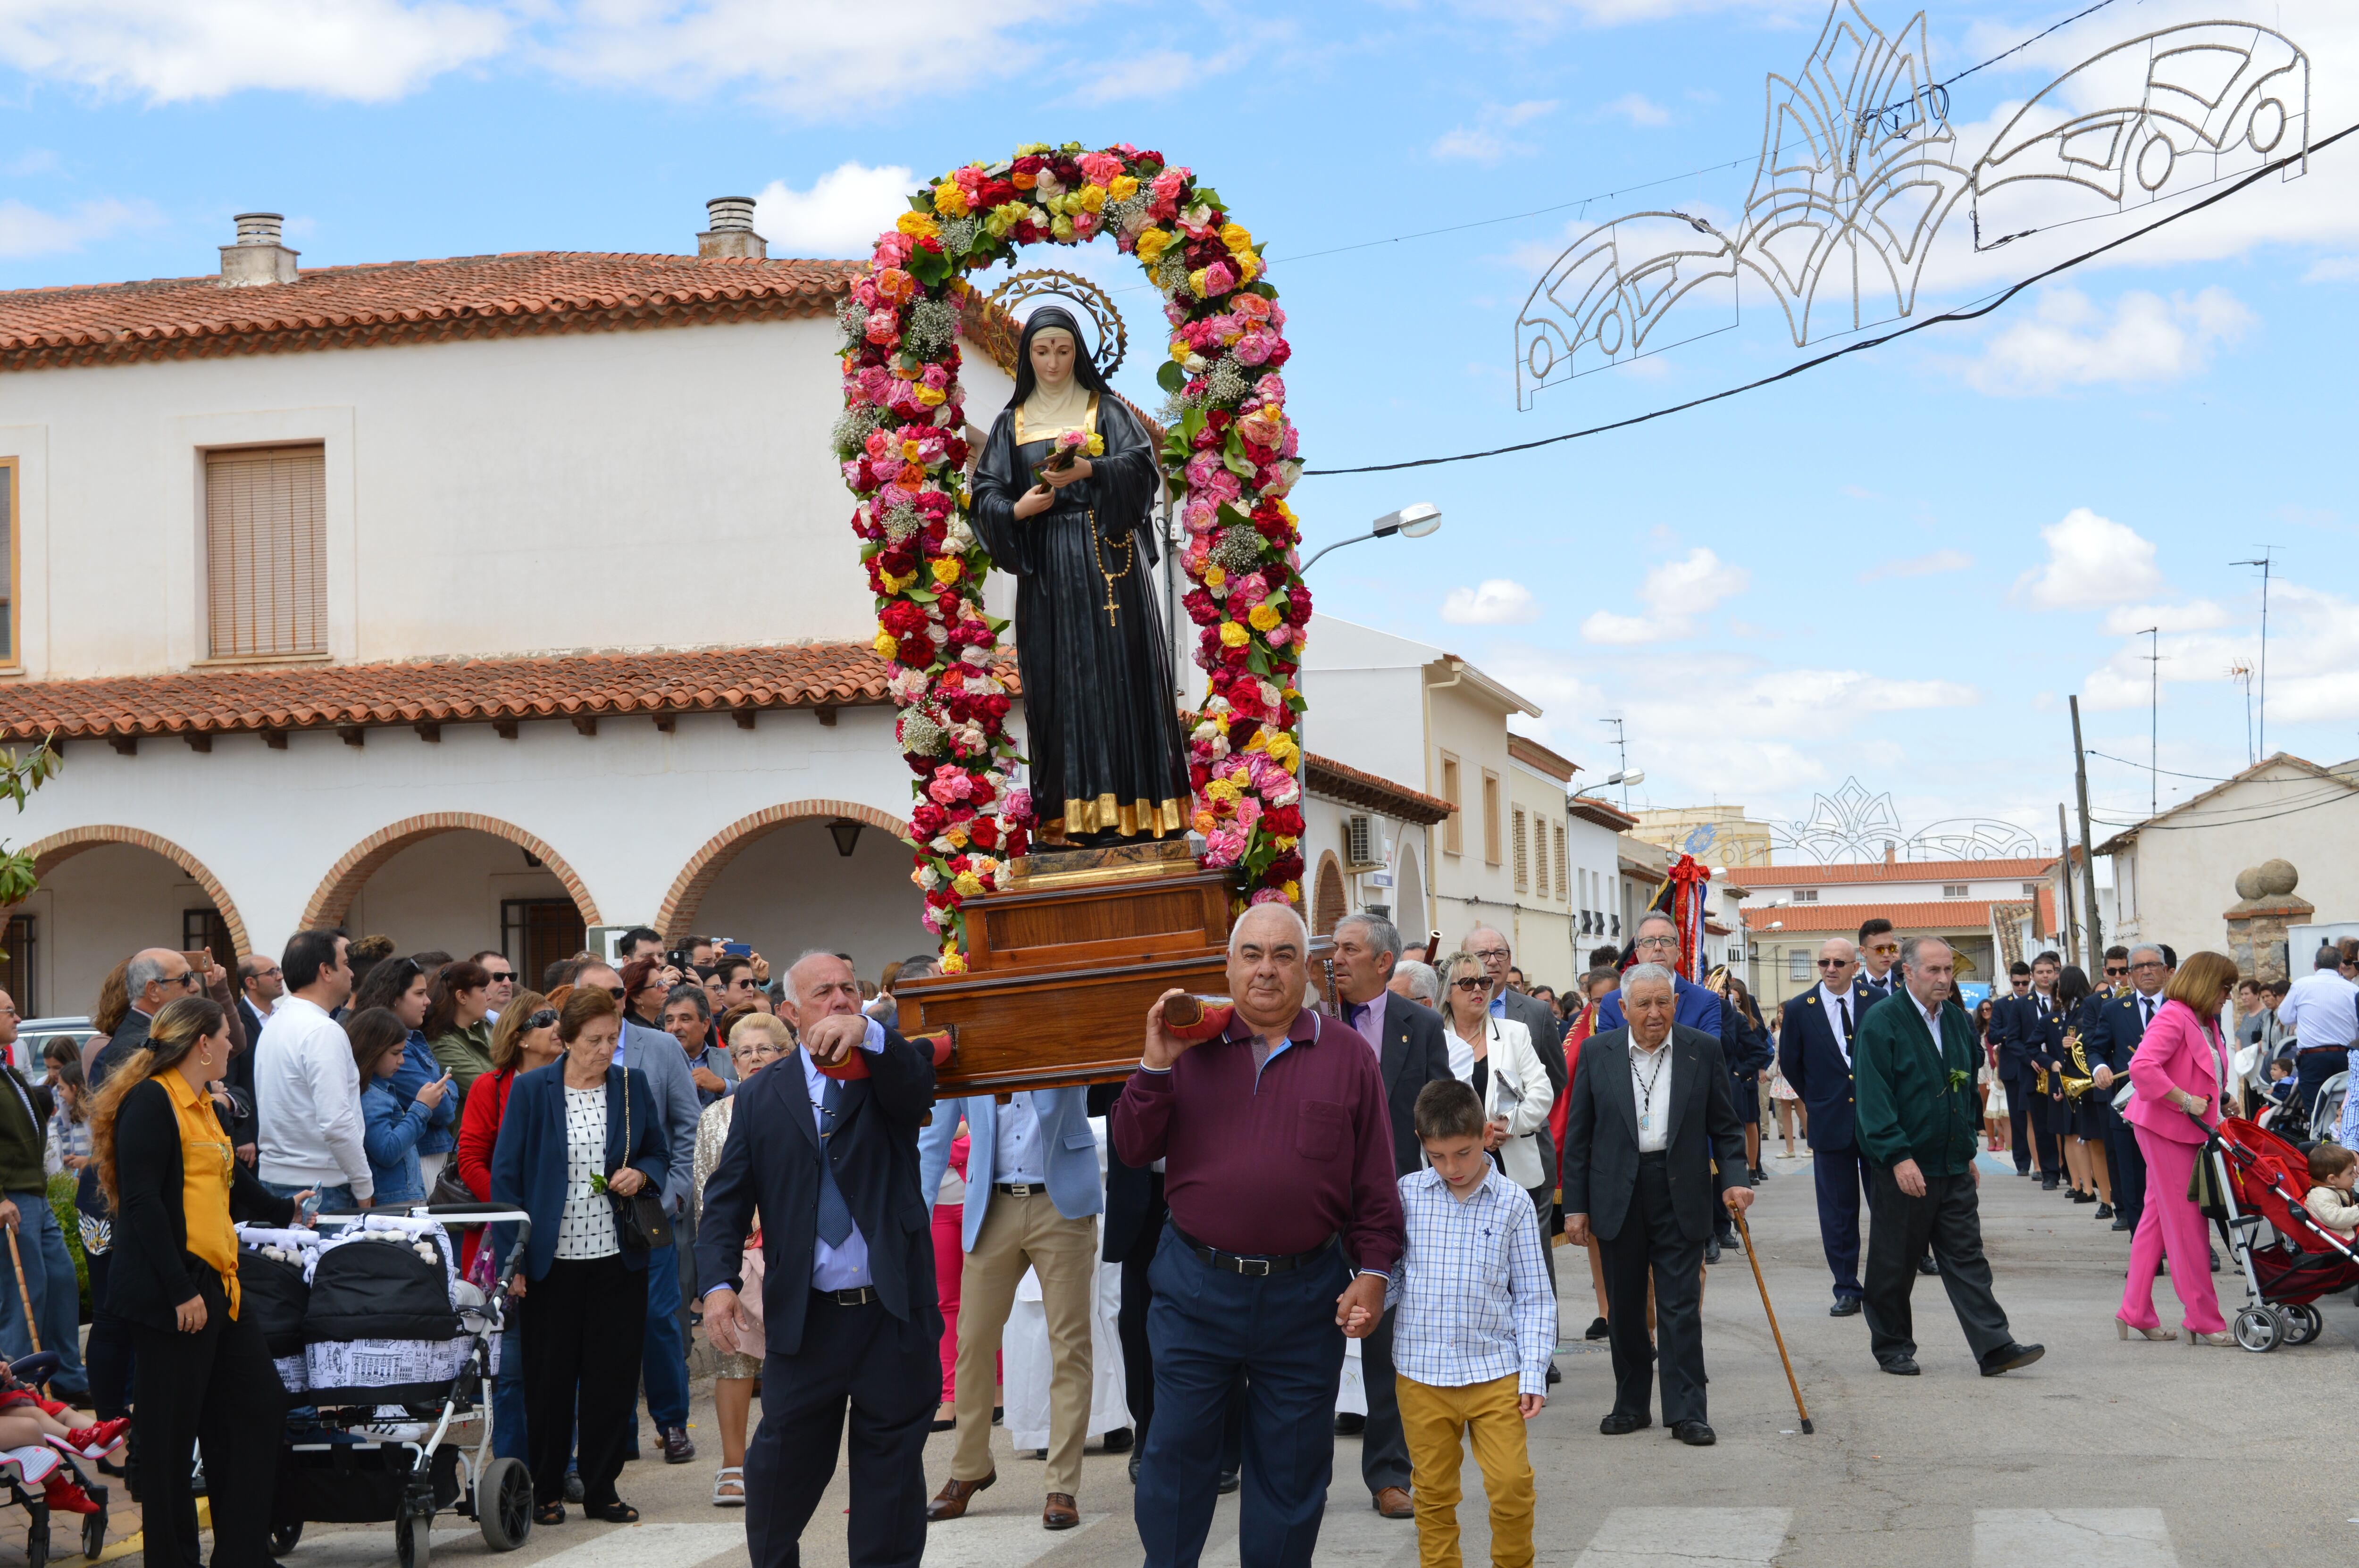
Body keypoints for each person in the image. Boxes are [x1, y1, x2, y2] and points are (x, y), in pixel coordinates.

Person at [1113, 903, 1400, 1568]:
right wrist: (1155, 1064)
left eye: (1282, 956)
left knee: (1294, 1470)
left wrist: (1375, 1270)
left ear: (1309, 969)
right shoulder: (1187, 1048)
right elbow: (1131, 1148)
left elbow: (1376, 1185)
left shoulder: (1349, 1056)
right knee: (1176, 1457)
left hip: (1306, 1298)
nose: (1265, 971)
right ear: (1229, 965)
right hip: (1194, 1290)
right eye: (1252, 955)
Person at [696, 951, 941, 1568]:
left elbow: (915, 1092)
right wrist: (719, 1284)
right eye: (824, 993)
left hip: (891, 1314)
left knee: (889, 1480)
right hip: (807, 1322)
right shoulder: (763, 1096)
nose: (839, 1001)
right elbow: (726, 1201)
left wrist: (874, 1035)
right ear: (789, 1011)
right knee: (779, 1469)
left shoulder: (888, 1068)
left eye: (849, 990)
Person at [89, 996, 302, 1568]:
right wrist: (180, 1289)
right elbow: (141, 1203)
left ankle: (240, 1555)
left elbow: (227, 1182)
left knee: (257, 1408)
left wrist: (285, 1211)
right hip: (173, 1289)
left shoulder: (208, 1105)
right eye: (225, 1037)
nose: (234, 1045)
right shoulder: (152, 1102)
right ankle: (171, 1560)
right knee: (168, 1439)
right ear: (202, 1044)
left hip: (221, 1285)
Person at [967, 306, 1191, 848]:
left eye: (1063, 351)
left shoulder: (1105, 410)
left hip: (1111, 562)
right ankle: (1065, 819)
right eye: (1041, 351)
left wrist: (1091, 469)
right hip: (1048, 570)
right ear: (1027, 356)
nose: (1052, 362)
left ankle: (1140, 813)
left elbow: (1142, 468)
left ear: (1079, 354)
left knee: (1122, 676)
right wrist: (1018, 510)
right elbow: (983, 498)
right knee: (1056, 683)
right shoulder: (1008, 423)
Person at [488, 986, 668, 1526]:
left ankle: (602, 1488)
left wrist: (642, 1174)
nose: (605, 1050)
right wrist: (512, 1263)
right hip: (551, 1261)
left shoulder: (630, 1087)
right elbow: (507, 1176)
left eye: (613, 1039)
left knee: (612, 1378)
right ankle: (545, 1487)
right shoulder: (531, 1090)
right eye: (593, 1041)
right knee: (549, 1378)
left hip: (618, 1257)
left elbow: (659, 1151)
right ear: (565, 1039)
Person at [1560, 964, 1747, 1444]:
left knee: (1679, 1306)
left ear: (1675, 1004)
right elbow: (1578, 1137)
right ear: (1621, 1009)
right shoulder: (1595, 1053)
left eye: (1662, 1002)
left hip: (1679, 1188)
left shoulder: (1699, 1050)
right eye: (1642, 1004)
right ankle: (1630, 1405)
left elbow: (1725, 1128)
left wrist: (1734, 1180)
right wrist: (1575, 1207)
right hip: (1616, 1194)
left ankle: (1687, 1412)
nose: (1653, 1013)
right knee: (1622, 1308)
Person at [1367, 1078, 1550, 1568]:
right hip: (1421, 1374)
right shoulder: (1406, 1195)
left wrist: (1532, 1371)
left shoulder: (1512, 1203)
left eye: (1463, 1154)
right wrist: (1369, 1300)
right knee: (1432, 1492)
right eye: (1438, 1156)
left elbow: (1534, 1298)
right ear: (1420, 1144)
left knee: (1512, 1484)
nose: (1451, 1168)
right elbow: (1395, 1275)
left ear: (1484, 1135)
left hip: (1495, 1373)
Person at [918, 1070, 1103, 1531]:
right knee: (973, 1341)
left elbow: (1071, 1080)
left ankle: (1062, 1483)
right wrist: (914, 1222)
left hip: (1059, 1203)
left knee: (1069, 1346)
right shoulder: (968, 1052)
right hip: (992, 1204)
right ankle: (970, 1468)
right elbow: (934, 1140)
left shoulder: (1058, 1034)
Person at [1852, 937, 2042, 1378]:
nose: (1943, 979)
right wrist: (1898, 1156)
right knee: (1894, 1261)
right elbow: (1873, 1097)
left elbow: (1964, 1089)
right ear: (1907, 972)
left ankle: (1995, 1345)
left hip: (1952, 1164)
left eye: (1948, 971)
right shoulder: (1882, 1022)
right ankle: (1893, 1345)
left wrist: (1967, 1149)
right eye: (1933, 971)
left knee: (1967, 1256)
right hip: (1903, 1165)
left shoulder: (1956, 1020)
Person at [1324, 910, 1455, 1518]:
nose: (1335, 960)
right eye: (1331, 949)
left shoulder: (1420, 1025)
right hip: (1314, 1205)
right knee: (1301, 1346)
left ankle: (1388, 1474)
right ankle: (1298, 1474)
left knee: (1386, 1347)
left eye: (1348, 950)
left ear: (1383, 962)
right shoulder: (1313, 1022)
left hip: (1390, 1207)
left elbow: (1439, 1108)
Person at [573, 960, 701, 1464]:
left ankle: (671, 1423)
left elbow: (687, 1127)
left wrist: (674, 1194)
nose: (609, 1002)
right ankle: (617, 1428)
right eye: (594, 994)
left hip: (650, 1208)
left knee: (657, 1319)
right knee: (600, 1324)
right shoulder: (564, 1055)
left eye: (615, 993)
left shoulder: (661, 1047)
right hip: (583, 1214)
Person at [2117, 951, 2241, 1345]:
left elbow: (2203, 1068)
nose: (2229, 996)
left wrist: (2218, 1098)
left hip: (2184, 1127)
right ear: (2208, 985)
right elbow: (2142, 1068)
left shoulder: (2204, 1018)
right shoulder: (2175, 1014)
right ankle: (2202, 1318)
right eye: (2226, 988)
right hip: (2168, 1127)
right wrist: (2186, 1100)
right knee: (2188, 1225)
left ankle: (2134, 1311)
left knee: (2157, 1219)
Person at [455, 990, 558, 1465]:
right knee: (511, 1366)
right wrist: (511, 1207)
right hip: (503, 1241)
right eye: (545, 1020)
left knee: (563, 1364)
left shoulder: (573, 1083)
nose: (557, 1026)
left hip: (565, 1236)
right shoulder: (489, 1088)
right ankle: (514, 1465)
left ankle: (563, 1463)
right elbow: (470, 1157)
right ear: (518, 1036)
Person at [692, 1012, 788, 1508]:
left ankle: (781, 1461)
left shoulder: (803, 1106)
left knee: (790, 1359)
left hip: (791, 1251)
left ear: (785, 1056)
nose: (754, 1059)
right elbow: (707, 1194)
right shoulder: (716, 1117)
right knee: (734, 1358)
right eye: (744, 1052)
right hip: (741, 1255)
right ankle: (733, 1466)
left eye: (764, 1050)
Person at [1779, 937, 1878, 1318]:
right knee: (1838, 1212)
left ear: (1856, 965)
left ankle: (1884, 1284)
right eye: (1824, 963)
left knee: (1885, 1206)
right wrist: (1820, 1100)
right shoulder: (1800, 1009)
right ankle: (1847, 1287)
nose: (1830, 968)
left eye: (1839, 962)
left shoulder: (1877, 1001)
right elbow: (1791, 1063)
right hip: (1829, 1120)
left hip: (1875, 1121)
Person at [0, 988, 88, 1401]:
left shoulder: (9, 1071)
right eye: (10, 1012)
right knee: (24, 1300)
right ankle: (16, 1394)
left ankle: (69, 1379)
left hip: (34, 1195)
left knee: (61, 1280)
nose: (18, 1019)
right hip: (12, 1199)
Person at [255, 930, 370, 1209]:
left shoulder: (277, 1023)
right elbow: (336, 1122)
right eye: (345, 963)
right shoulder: (322, 1030)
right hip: (320, 1189)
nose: (352, 973)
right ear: (326, 971)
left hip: (279, 1180)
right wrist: (364, 1187)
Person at [2083, 944, 2172, 1237]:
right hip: (2129, 1110)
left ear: (2166, 970)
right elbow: (2096, 1049)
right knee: (2133, 1182)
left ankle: (2190, 1245)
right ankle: (2146, 1250)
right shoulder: (2114, 1010)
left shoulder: (2180, 1006)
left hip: (2174, 1107)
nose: (2146, 971)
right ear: (2130, 976)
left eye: (2153, 965)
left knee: (2177, 1180)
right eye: (2139, 967)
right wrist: (2100, 1069)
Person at [353, 1008, 451, 1209]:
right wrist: (421, 1108)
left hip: (399, 1197)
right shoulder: (370, 1096)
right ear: (373, 1050)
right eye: (396, 1053)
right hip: (391, 1202)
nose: (402, 1060)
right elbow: (387, 1151)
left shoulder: (379, 1091)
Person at [2279, 944, 2359, 1132]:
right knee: (2347, 1110)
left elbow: (2285, 1017)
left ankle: (2321, 1151)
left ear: (2315, 965)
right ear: (2340, 966)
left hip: (2312, 1057)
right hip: (2345, 1056)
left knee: (2317, 1113)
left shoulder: (2301, 985)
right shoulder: (2352, 989)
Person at [2054, 965, 2112, 1214]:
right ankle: (2103, 1198)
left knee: (2099, 1143)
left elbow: (2090, 1044)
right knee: (2090, 1141)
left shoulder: (2084, 1008)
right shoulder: (2071, 1010)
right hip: (2082, 1081)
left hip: (2093, 1080)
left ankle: (2104, 1195)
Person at [425, 959, 498, 1105]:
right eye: (483, 990)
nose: (489, 997)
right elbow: (493, 1090)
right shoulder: (442, 1045)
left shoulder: (478, 1030)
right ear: (462, 997)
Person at [662, 985, 735, 1105]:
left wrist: (722, 1085)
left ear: (705, 1025)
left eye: (685, 1019)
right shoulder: (654, 1062)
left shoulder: (731, 1058)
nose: (675, 1027)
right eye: (669, 1020)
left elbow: (754, 1092)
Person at [2302, 1143, 2359, 1241]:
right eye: (2350, 1173)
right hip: (2343, 1241)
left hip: (2349, 1232)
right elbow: (2336, 1218)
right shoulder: (2319, 1196)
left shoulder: (2335, 1190)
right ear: (2332, 1179)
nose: (2355, 1176)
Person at [235, 954, 282, 1046]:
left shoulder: (285, 1016)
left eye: (278, 970)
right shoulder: (235, 1021)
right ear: (251, 983)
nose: (280, 977)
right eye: (272, 972)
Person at [1854, 918, 1900, 1004]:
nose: (1887, 954)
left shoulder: (1906, 986)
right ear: (1863, 951)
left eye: (1891, 948)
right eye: (1880, 949)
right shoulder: (1853, 989)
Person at [473, 951, 518, 1017]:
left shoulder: (526, 1020)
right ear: (476, 981)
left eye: (511, 976)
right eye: (499, 977)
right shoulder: (468, 1025)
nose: (507, 983)